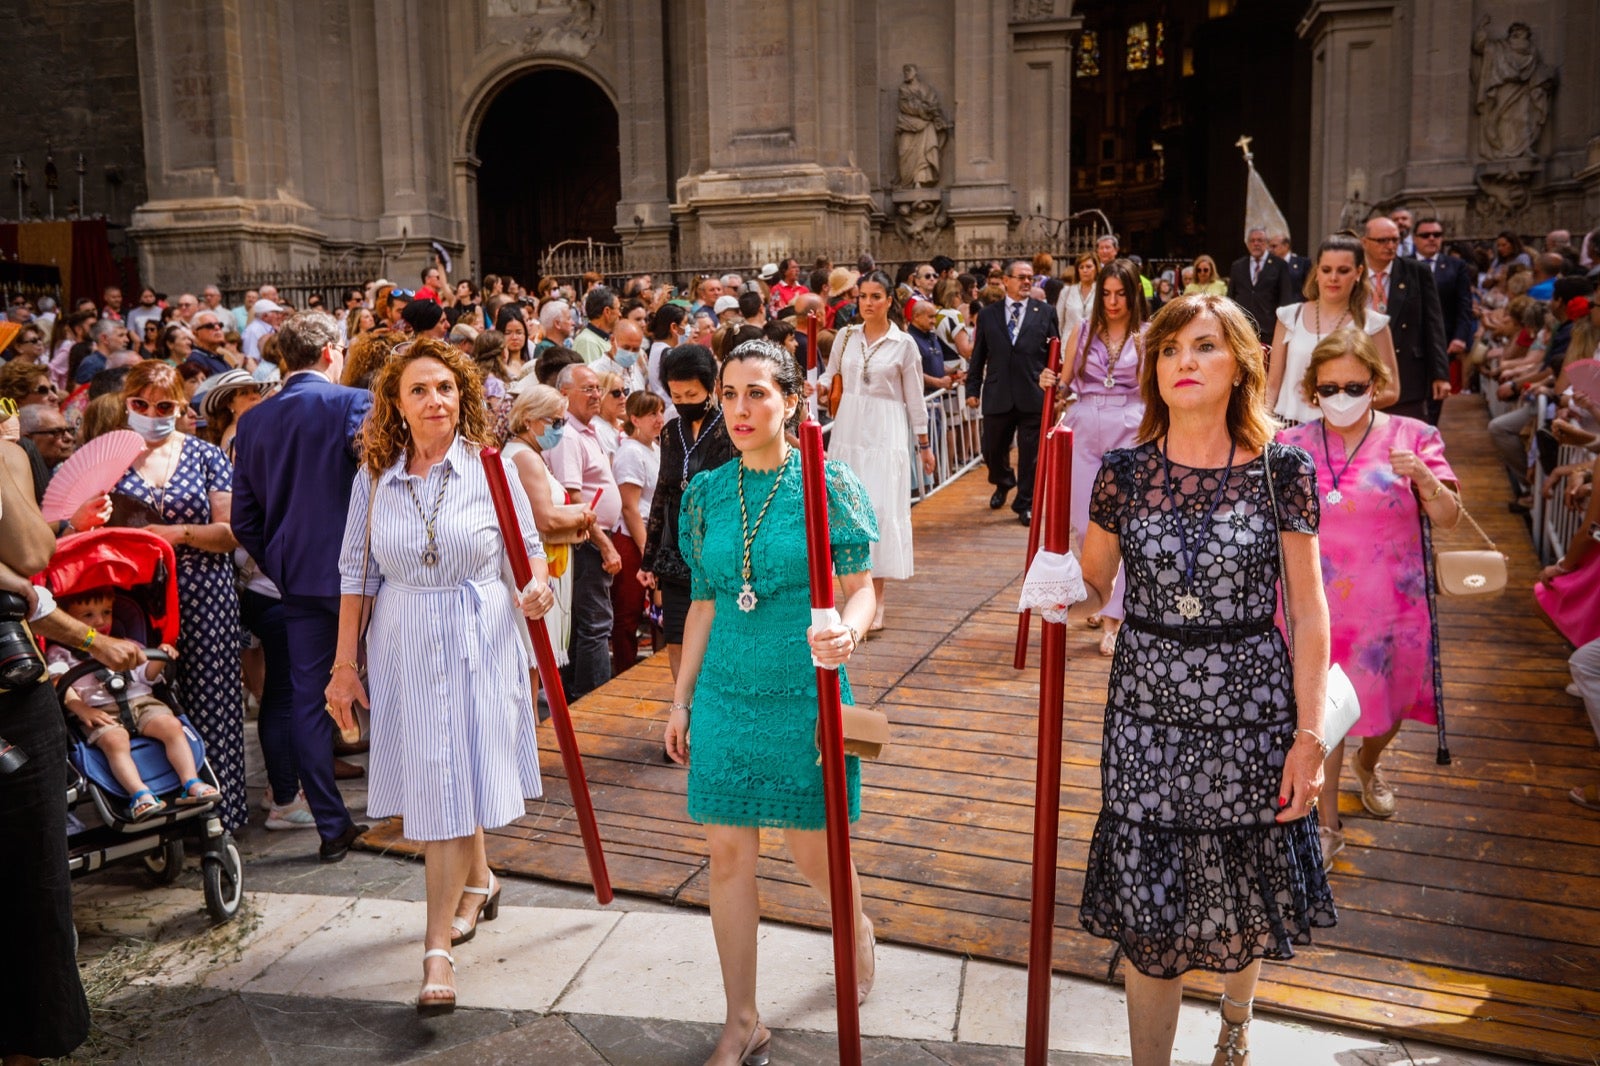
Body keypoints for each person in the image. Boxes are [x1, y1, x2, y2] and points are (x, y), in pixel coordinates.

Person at [1047, 292, 1335, 1066]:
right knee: (1151, 905)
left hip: (1253, 706)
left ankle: (1236, 1021)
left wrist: (1308, 738)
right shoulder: (1125, 472)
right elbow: (1092, 584)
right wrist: (1057, 582)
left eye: (1203, 347)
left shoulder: (1284, 470)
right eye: (1170, 350)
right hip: (1145, 705)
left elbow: (1309, 614)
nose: (1183, 363)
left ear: (1241, 363)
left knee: (1244, 881)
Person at [662, 338, 880, 1066]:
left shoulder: (826, 483)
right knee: (727, 856)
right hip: (725, 689)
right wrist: (681, 701)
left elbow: (863, 589)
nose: (740, 408)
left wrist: (847, 634)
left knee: (816, 853)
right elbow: (702, 603)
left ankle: (855, 927)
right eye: (729, 394)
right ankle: (742, 1018)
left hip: (806, 690)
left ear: (792, 400)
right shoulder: (706, 493)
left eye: (758, 393)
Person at [326, 336, 555, 1016]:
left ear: (465, 398)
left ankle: (435, 949)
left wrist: (539, 588)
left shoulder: (495, 468)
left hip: (480, 634)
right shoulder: (373, 475)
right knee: (442, 774)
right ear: (395, 403)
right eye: (420, 389)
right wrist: (344, 666)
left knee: (450, 781)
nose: (435, 400)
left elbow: (532, 555)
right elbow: (354, 575)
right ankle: (479, 881)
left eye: (446, 388)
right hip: (402, 638)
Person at [1278, 328, 1461, 870]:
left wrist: (1426, 480)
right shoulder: (1290, 448)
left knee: (1386, 716)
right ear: (1312, 389)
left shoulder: (1414, 435)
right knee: (1323, 717)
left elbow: (1449, 519)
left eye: (1353, 385)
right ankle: (1326, 823)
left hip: (1392, 613)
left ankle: (1370, 761)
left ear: (1376, 385)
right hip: (1319, 612)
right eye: (1329, 386)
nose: (1341, 396)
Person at [231, 313, 373, 859]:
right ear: (330, 351)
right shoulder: (350, 401)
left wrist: (281, 562)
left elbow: (245, 518)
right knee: (389, 687)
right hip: (360, 573)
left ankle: (332, 825)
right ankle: (416, 809)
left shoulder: (254, 421)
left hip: (296, 579)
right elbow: (375, 484)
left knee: (308, 702)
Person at [113, 361, 247, 830]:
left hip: (205, 593)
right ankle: (163, 818)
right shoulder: (110, 459)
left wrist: (180, 533)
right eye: (141, 404)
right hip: (138, 601)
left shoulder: (206, 456)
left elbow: (232, 532)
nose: (151, 411)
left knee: (215, 701)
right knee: (145, 703)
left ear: (180, 407)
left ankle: (219, 816)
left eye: (164, 404)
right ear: (126, 404)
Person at [0, 440, 91, 1064]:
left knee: (33, 880)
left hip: (13, 689)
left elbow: (33, 553)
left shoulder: (12, 453)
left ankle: (27, 1048)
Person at [1039, 259, 1151, 657]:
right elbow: (1066, 382)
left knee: (1127, 524)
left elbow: (1153, 388)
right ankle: (1096, 594)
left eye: (1121, 293)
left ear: (1133, 295)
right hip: (1084, 423)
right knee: (1086, 524)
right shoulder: (1082, 331)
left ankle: (1113, 618)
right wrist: (1051, 381)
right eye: (1106, 293)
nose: (1113, 301)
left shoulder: (1146, 335)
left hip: (1131, 426)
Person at [821, 271, 933, 630]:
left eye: (875, 296)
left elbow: (916, 399)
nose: (867, 303)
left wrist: (924, 445)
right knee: (847, 511)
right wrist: (819, 388)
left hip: (886, 432)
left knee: (879, 512)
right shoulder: (846, 335)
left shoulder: (904, 345)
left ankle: (876, 601)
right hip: (850, 427)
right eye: (863, 296)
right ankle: (853, 596)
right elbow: (830, 374)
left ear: (889, 301)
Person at [49, 588, 217, 819]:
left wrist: (160, 655)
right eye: (87, 615)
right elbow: (59, 683)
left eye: (106, 612)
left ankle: (191, 782)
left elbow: (147, 676)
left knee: (172, 726)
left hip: (142, 702)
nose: (99, 621)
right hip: (99, 711)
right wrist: (79, 707)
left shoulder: (126, 644)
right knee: (114, 741)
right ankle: (140, 794)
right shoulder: (61, 653)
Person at [640, 344, 737, 682]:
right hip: (675, 549)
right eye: (676, 396)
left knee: (714, 636)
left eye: (691, 393)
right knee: (677, 636)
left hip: (717, 546)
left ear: (711, 387)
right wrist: (648, 559)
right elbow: (662, 493)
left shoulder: (730, 430)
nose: (683, 402)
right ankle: (682, 708)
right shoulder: (670, 432)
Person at [504, 383, 602, 674]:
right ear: (527, 419)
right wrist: (580, 517)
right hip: (537, 567)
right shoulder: (525, 457)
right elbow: (543, 520)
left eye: (563, 421)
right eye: (554, 421)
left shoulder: (526, 454)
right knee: (534, 663)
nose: (560, 428)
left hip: (547, 561)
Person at [543, 362, 623, 699]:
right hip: (586, 541)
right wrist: (605, 545)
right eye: (587, 388)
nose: (596, 395)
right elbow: (574, 498)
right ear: (564, 394)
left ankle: (582, 697)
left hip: (593, 537)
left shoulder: (588, 431)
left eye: (597, 389)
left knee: (588, 624)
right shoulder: (568, 436)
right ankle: (592, 701)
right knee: (594, 625)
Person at [1265, 233, 1402, 424]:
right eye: (1326, 269)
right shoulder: (1289, 317)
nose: (1333, 278)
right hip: (1288, 429)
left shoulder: (1373, 324)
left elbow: (1391, 391)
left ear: (1358, 272)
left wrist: (1343, 406)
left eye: (1343, 270)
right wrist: (1261, 432)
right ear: (1317, 272)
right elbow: (1272, 387)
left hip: (1345, 432)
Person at [966, 257, 1060, 526]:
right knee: (992, 450)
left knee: (1030, 456)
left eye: (1030, 277)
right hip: (998, 393)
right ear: (1005, 280)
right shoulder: (987, 314)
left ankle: (1025, 503)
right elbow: (979, 355)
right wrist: (972, 388)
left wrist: (1055, 385)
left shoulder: (1044, 312)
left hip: (1033, 392)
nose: (1027, 281)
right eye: (1021, 277)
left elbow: (1054, 352)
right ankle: (1003, 480)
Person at [1362, 216, 1450, 424]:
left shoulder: (1416, 271)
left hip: (1408, 373)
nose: (1390, 245)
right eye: (1382, 240)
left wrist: (1441, 374)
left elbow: (1434, 324)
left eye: (1395, 240)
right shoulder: (1354, 274)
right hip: (1364, 368)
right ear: (1365, 242)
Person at [610, 390, 665, 674]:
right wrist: (647, 550)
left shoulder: (654, 448)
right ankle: (623, 669)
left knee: (656, 612)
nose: (659, 420)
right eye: (651, 414)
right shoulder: (630, 452)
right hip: (633, 538)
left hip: (650, 536)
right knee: (628, 612)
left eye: (660, 412)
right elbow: (630, 507)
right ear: (634, 419)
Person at [1409, 218, 1476, 388]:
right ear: (1415, 238)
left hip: (1444, 340)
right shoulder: (1402, 265)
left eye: (1436, 235)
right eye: (1425, 235)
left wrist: (1460, 337)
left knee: (1437, 390)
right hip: (1409, 339)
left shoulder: (1456, 266)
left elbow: (1464, 305)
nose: (1432, 238)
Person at [1227, 227, 1297, 342]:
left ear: (1267, 243)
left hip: (1269, 330)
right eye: (1252, 241)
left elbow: (1285, 298)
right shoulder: (1237, 266)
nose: (1256, 244)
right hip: (1242, 329)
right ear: (1248, 244)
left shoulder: (1279, 265)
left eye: (1260, 240)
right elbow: (1231, 297)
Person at [1056, 252, 1099, 337]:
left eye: (1088, 267)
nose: (1085, 270)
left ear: (1096, 268)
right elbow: (1059, 321)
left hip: (1093, 343)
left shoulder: (1102, 291)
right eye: (1081, 267)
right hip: (1068, 344)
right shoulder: (1066, 292)